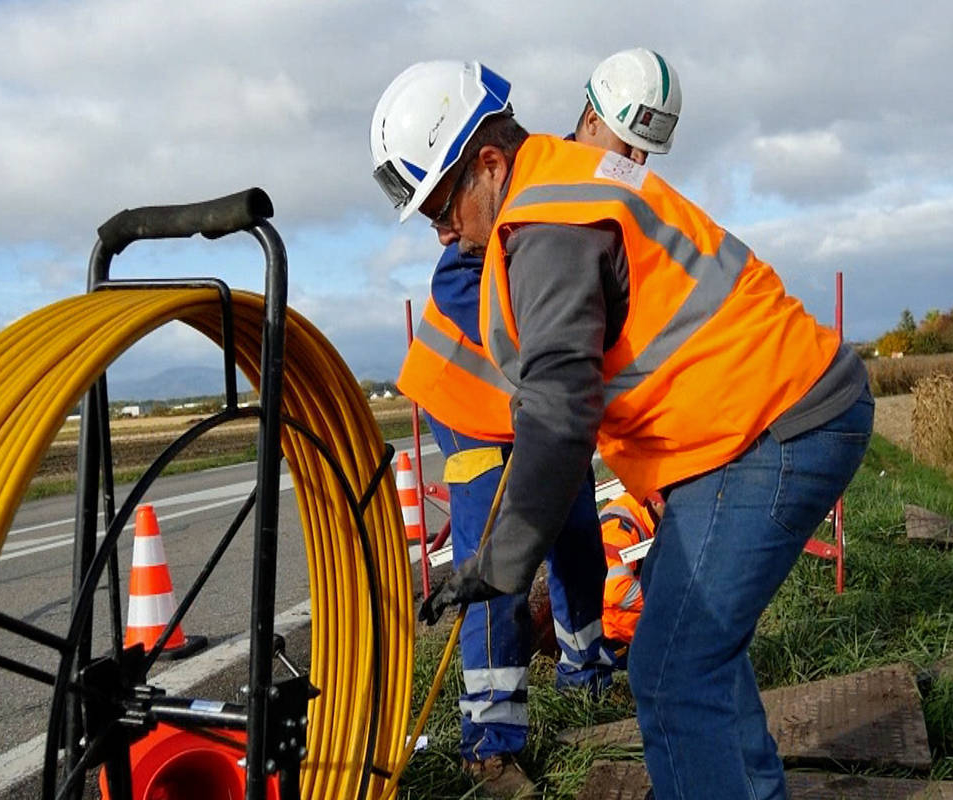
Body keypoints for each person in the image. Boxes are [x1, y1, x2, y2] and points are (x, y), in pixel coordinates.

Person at [370, 60, 873, 800]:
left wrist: (501, 562)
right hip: (750, 427)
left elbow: (559, 408)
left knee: (673, 669)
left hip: (775, 427)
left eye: (442, 206)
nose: (442, 230)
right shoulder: (557, 186)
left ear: (487, 162)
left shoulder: (547, 226)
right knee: (695, 643)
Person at [391, 50, 683, 798]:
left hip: (544, 421)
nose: (633, 166)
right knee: (498, 566)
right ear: (589, 120)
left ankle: (588, 669)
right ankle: (490, 742)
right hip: (474, 413)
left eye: (644, 154)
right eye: (625, 148)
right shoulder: (508, 216)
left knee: (579, 538)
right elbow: (488, 312)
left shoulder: (567, 200)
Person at [596, 490, 662, 660]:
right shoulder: (618, 526)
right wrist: (673, 602)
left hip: (647, 631)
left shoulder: (657, 518)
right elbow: (618, 591)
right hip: (619, 640)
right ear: (655, 500)